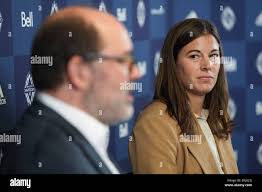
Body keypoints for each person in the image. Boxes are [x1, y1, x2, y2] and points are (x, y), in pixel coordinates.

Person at [0, 6, 139, 174]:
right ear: (80, 72)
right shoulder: (48, 161)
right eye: (123, 60)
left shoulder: (60, 143)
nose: (136, 73)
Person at [128, 18, 239, 174]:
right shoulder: (154, 122)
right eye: (194, 56)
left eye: (213, 55)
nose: (207, 65)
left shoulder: (217, 118)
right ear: (173, 64)